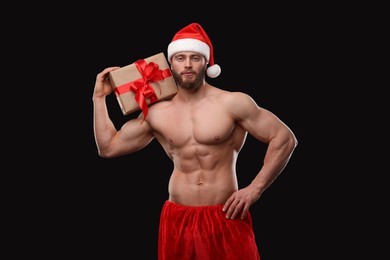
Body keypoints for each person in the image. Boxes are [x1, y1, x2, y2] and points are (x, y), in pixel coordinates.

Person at [92, 23, 298, 260]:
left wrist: (254, 189)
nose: (187, 64)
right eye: (180, 58)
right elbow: (108, 147)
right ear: (171, 65)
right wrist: (99, 98)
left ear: (207, 63)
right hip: (177, 218)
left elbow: (284, 139)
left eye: (195, 58)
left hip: (225, 214)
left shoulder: (232, 103)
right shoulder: (156, 112)